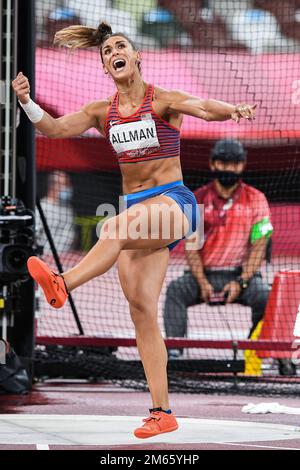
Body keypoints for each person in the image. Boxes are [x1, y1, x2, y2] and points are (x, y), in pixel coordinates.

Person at [12, 22, 256, 438]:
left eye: (121, 46)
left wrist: (231, 110)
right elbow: (51, 129)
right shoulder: (99, 111)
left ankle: (62, 283)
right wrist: (27, 102)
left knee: (113, 227)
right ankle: (162, 412)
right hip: (138, 214)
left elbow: (202, 105)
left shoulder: (160, 99)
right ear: (106, 67)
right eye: (107, 51)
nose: (114, 53)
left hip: (173, 203)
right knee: (142, 312)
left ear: (137, 57)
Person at [164, 139, 273, 359]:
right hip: (203, 275)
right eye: (223, 162)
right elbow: (191, 248)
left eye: (234, 163)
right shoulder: (196, 199)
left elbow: (259, 247)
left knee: (265, 295)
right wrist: (202, 281)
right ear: (213, 164)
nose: (228, 168)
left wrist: (241, 281)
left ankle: (257, 351)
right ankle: (174, 352)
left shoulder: (257, 199)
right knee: (175, 290)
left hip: (242, 276)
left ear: (242, 166)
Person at [36, 171, 75, 255]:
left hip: (65, 258)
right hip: (45, 256)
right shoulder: (42, 207)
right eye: (64, 184)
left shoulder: (68, 208)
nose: (67, 188)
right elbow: (36, 235)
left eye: (67, 184)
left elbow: (70, 235)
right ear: (52, 185)